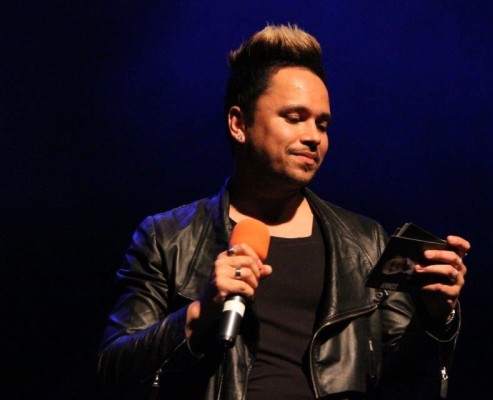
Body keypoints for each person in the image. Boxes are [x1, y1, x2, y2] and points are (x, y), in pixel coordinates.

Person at [96, 23, 470, 400]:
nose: (313, 137)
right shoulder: (168, 238)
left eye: (322, 124)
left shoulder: (365, 242)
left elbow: (406, 382)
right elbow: (114, 370)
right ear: (239, 124)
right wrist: (199, 313)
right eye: (294, 118)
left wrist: (435, 317)